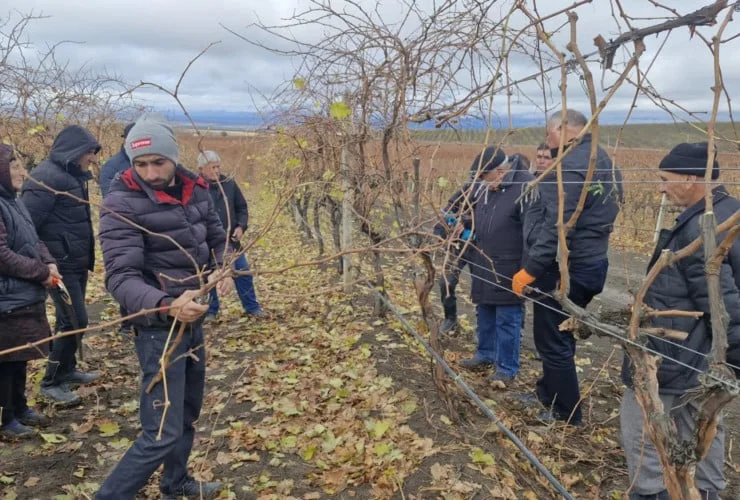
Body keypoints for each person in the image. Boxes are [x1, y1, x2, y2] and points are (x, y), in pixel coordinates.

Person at [96, 115, 232, 499]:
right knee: (160, 431)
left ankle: (176, 483)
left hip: (194, 317)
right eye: (140, 164)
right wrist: (166, 304)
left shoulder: (198, 190)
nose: (151, 173)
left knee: (186, 412)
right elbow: (121, 278)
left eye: (158, 162)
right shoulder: (121, 204)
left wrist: (222, 266)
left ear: (174, 157)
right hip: (159, 326)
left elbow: (218, 238)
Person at [619, 143, 740, 500]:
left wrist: (732, 358)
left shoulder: (702, 227)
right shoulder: (725, 212)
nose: (659, 188)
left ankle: (652, 493)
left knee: (642, 429)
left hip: (674, 354)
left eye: (665, 179)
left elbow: (722, 302)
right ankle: (704, 494)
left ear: (691, 178)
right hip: (695, 353)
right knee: (701, 429)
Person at [511, 109, 623, 425]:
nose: (548, 143)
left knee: (552, 338)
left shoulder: (570, 166)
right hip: (592, 261)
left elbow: (557, 225)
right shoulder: (602, 160)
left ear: (564, 129)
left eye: (549, 135)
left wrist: (531, 268)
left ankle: (565, 414)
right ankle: (548, 395)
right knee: (561, 333)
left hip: (567, 267)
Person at [21, 125, 101, 406]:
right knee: (74, 319)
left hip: (76, 262)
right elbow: (27, 226)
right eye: (89, 152)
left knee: (75, 320)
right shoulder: (45, 177)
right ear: (74, 150)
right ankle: (51, 382)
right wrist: (46, 263)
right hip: (58, 266)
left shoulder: (74, 176)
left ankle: (67, 370)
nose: (92, 158)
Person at [458, 148, 537, 383]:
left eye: (484, 176)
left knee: (507, 317)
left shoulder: (527, 186)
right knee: (485, 311)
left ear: (501, 171)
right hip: (484, 260)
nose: (481, 182)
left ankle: (506, 368)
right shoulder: (487, 186)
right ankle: (485, 353)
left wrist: (527, 269)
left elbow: (531, 234)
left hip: (510, 266)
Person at [0, 145, 60, 439]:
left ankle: (19, 408)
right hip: (5, 298)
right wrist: (40, 272)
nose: (22, 173)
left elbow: (33, 239)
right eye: (15, 168)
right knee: (5, 360)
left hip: (22, 295)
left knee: (19, 357)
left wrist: (48, 262)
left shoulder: (14, 201)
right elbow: (1, 255)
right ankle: (5, 419)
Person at [197, 150, 268, 321]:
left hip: (232, 242)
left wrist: (241, 227)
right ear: (201, 169)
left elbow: (242, 208)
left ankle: (252, 307)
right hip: (208, 244)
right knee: (209, 276)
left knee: (243, 272)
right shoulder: (195, 188)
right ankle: (211, 311)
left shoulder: (229, 184)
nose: (217, 170)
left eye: (218, 166)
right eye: (212, 167)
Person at [98, 122, 136, 336]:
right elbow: (110, 198)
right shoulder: (112, 167)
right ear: (124, 140)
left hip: (150, 226)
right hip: (122, 228)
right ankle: (127, 323)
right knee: (126, 271)